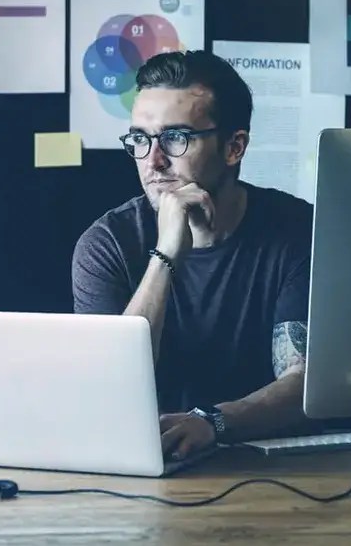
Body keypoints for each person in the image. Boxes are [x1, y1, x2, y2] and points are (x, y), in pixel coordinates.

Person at [71, 50, 315, 461]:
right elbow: (108, 387)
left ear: (234, 147)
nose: (153, 160)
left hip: (282, 460)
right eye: (141, 139)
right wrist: (166, 254)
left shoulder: (296, 230)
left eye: (175, 138)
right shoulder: (107, 244)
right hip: (151, 460)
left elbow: (306, 380)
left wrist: (212, 422)